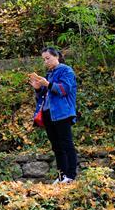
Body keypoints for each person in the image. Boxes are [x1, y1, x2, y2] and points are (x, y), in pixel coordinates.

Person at [29, 46, 78, 183]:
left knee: (67, 143)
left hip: (62, 113)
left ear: (56, 56)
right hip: (48, 113)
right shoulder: (49, 75)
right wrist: (38, 89)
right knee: (56, 146)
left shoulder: (66, 70)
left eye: (48, 58)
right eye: (44, 59)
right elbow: (42, 97)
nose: (46, 62)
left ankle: (71, 175)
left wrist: (48, 84)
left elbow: (64, 89)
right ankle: (61, 175)